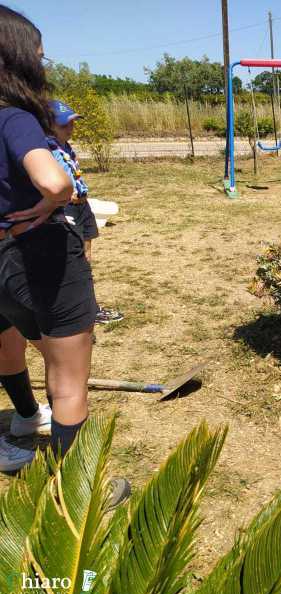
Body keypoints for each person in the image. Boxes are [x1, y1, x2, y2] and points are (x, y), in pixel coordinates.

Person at [0, 6, 119, 488]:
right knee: (68, 380)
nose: (44, 69)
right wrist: (52, 203)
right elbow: (53, 180)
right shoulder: (15, 119)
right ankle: (73, 489)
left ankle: (26, 418)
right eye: (40, 59)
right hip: (42, 258)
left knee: (11, 341)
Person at [48, 99, 122, 325]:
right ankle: (76, 312)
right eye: (64, 125)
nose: (70, 128)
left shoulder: (66, 147)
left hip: (82, 206)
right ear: (48, 125)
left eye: (72, 123)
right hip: (65, 208)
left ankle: (91, 307)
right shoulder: (45, 150)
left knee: (86, 257)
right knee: (73, 260)